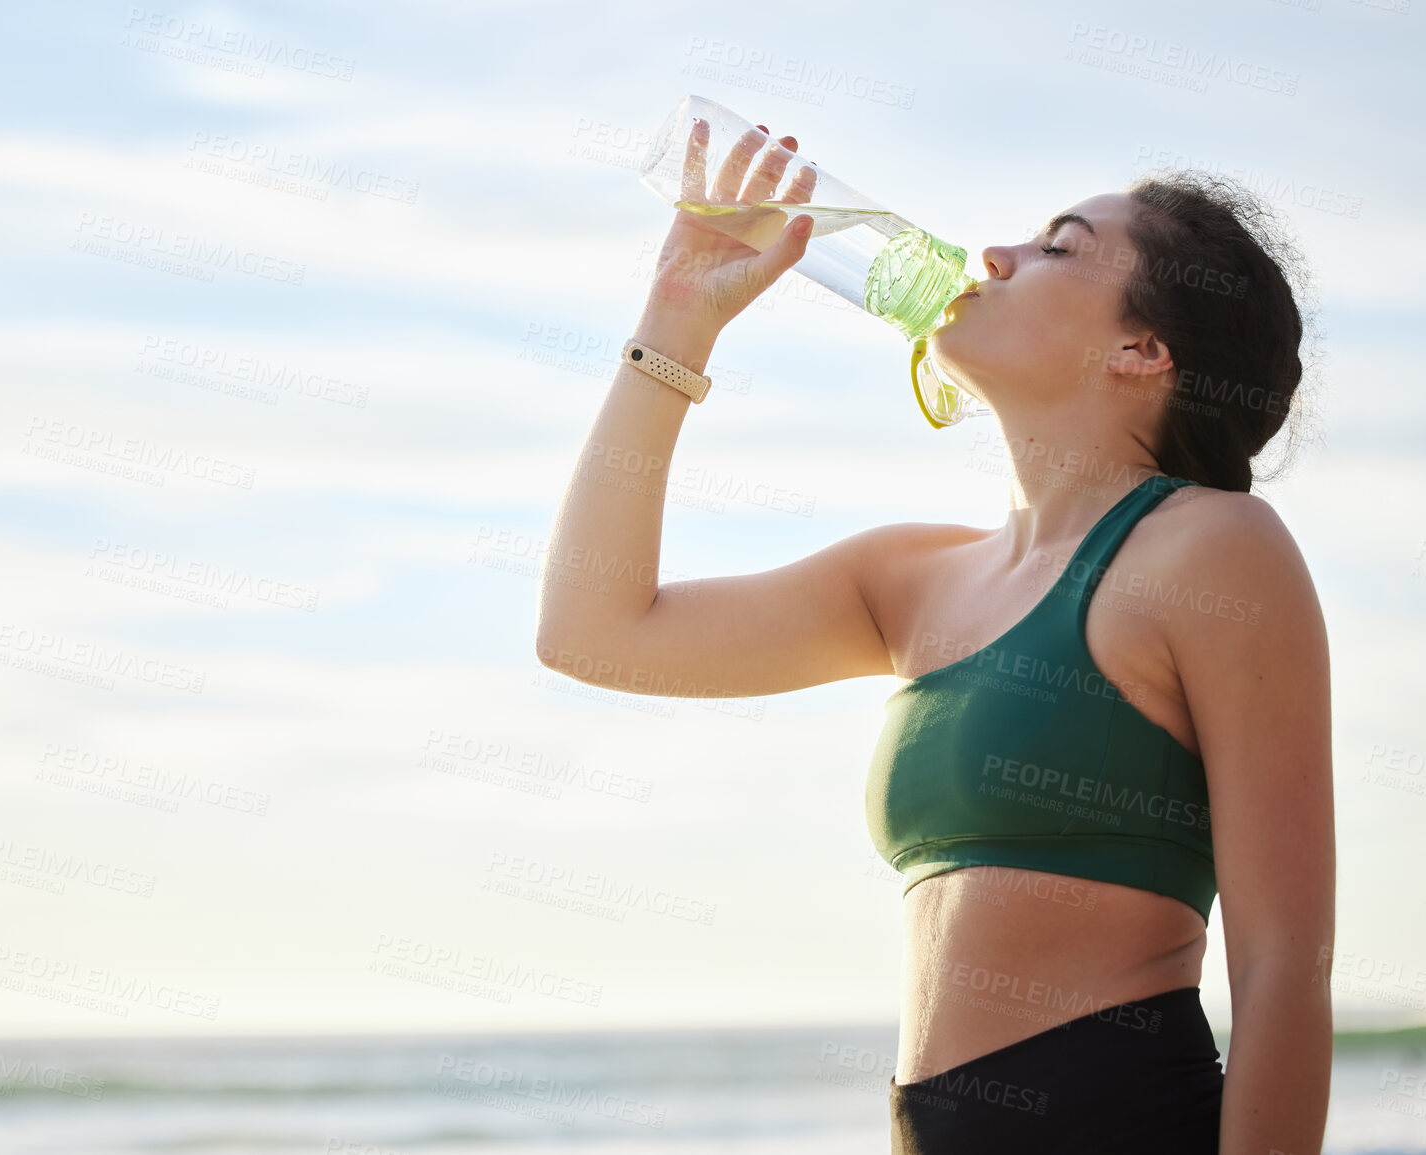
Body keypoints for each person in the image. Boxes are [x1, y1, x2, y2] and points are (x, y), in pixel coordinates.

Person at [534, 124, 1333, 1153]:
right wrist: (676, 319)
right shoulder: (906, 580)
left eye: (1058, 248)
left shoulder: (1214, 549)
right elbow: (592, 631)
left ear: (1142, 352)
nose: (991, 256)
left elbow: (1284, 965)